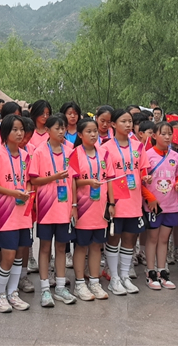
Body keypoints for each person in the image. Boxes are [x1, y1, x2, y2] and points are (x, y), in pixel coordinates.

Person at [102, 108, 153, 294]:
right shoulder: (106, 147)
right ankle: (114, 277)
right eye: (123, 121)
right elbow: (104, 176)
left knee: (130, 238)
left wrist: (145, 177)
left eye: (130, 121)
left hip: (133, 200)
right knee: (114, 237)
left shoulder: (138, 146)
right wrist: (110, 202)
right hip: (116, 200)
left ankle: (124, 276)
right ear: (113, 124)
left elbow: (143, 169)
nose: (128, 124)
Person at [0, 115, 33, 312]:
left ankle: (13, 293)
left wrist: (26, 190)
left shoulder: (25, 155)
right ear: (5, 132)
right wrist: (12, 194)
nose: (19, 133)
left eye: (21, 129)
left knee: (20, 253)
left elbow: (28, 180)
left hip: (23, 211)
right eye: (14, 129)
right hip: (5, 213)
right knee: (8, 256)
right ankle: (0, 295)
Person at [29, 115, 77, 306]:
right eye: (57, 128)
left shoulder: (70, 151)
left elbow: (73, 181)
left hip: (64, 207)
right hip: (46, 207)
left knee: (61, 247)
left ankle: (60, 287)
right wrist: (54, 177)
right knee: (45, 248)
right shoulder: (39, 152)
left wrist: (74, 205)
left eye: (63, 128)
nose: (61, 131)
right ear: (47, 130)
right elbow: (34, 180)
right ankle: (44, 289)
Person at [70, 119, 115, 300]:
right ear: (80, 135)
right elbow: (72, 182)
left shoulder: (104, 153)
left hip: (100, 207)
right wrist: (87, 183)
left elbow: (109, 179)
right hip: (83, 208)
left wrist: (112, 204)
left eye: (95, 131)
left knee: (97, 245)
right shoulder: (75, 154)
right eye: (88, 131)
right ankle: (80, 284)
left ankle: (94, 282)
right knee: (81, 246)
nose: (93, 134)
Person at [139, 121, 178, 290]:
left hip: (171, 204)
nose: (167, 137)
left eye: (170, 134)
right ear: (154, 136)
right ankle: (150, 272)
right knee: (153, 238)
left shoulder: (176, 156)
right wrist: (149, 197)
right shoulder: (147, 155)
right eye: (163, 134)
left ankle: (162, 271)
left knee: (164, 239)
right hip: (154, 204)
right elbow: (141, 180)